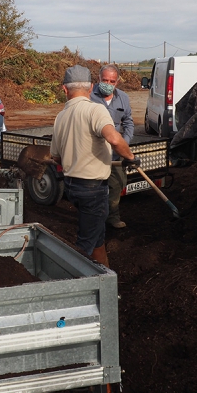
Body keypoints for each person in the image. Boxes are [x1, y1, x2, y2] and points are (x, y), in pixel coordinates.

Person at [49, 65, 138, 267]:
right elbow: (114, 139)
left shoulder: (60, 117)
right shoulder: (95, 109)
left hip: (72, 186)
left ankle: (105, 279)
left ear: (64, 89)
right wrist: (130, 157)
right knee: (84, 247)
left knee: (97, 239)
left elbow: (56, 158)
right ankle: (74, 286)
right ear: (91, 88)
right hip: (92, 189)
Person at [89, 64, 134, 229]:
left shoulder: (123, 98)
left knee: (116, 186)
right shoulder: (89, 96)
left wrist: (125, 143)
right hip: (94, 152)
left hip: (115, 153)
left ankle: (113, 217)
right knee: (94, 189)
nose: (108, 83)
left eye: (112, 81)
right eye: (105, 80)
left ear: (118, 82)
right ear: (99, 79)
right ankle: (95, 219)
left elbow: (128, 122)